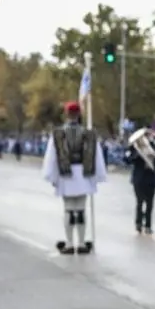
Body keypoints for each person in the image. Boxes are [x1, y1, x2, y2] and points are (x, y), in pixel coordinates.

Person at [44, 100, 106, 254]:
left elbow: (52, 157)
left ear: (66, 114)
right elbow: (97, 157)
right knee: (80, 210)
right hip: (83, 174)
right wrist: (97, 175)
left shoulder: (58, 134)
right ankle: (83, 242)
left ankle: (70, 243)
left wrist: (52, 176)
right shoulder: (89, 133)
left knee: (68, 210)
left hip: (67, 174)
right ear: (79, 114)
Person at [125, 124, 155, 235]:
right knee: (140, 202)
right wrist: (138, 154)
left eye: (147, 134)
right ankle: (138, 223)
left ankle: (148, 225)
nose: (146, 136)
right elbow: (127, 160)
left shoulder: (154, 145)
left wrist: (152, 154)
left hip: (151, 177)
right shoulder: (134, 146)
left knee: (150, 203)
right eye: (144, 134)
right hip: (139, 178)